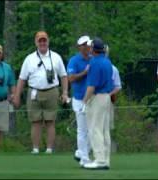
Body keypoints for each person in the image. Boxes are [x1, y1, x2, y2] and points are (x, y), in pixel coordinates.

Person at [13, 31, 68, 154]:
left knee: (50, 121)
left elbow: (63, 76)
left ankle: (49, 149)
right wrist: (17, 95)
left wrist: (65, 92)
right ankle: (35, 148)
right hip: (34, 92)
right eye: (40, 41)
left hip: (52, 91)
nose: (42, 43)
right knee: (35, 121)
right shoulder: (29, 59)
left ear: (48, 41)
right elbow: (22, 79)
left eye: (44, 40)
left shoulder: (56, 57)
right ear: (36, 42)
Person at [82, 38, 113, 170]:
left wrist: (84, 101)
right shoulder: (107, 61)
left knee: (95, 128)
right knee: (104, 129)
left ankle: (99, 159)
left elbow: (91, 86)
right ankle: (105, 159)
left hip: (97, 97)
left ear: (93, 49)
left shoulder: (94, 62)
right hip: (107, 97)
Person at [67, 35, 91, 166]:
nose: (86, 47)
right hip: (79, 99)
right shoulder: (74, 61)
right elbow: (70, 78)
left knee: (93, 131)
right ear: (79, 47)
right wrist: (85, 72)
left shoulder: (94, 59)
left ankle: (81, 153)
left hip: (93, 99)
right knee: (82, 130)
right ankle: (84, 159)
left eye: (88, 44)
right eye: (84, 45)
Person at [104, 44, 122, 130]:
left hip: (108, 101)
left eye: (105, 52)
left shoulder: (113, 69)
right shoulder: (91, 67)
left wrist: (108, 95)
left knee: (107, 126)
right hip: (93, 100)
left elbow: (118, 86)